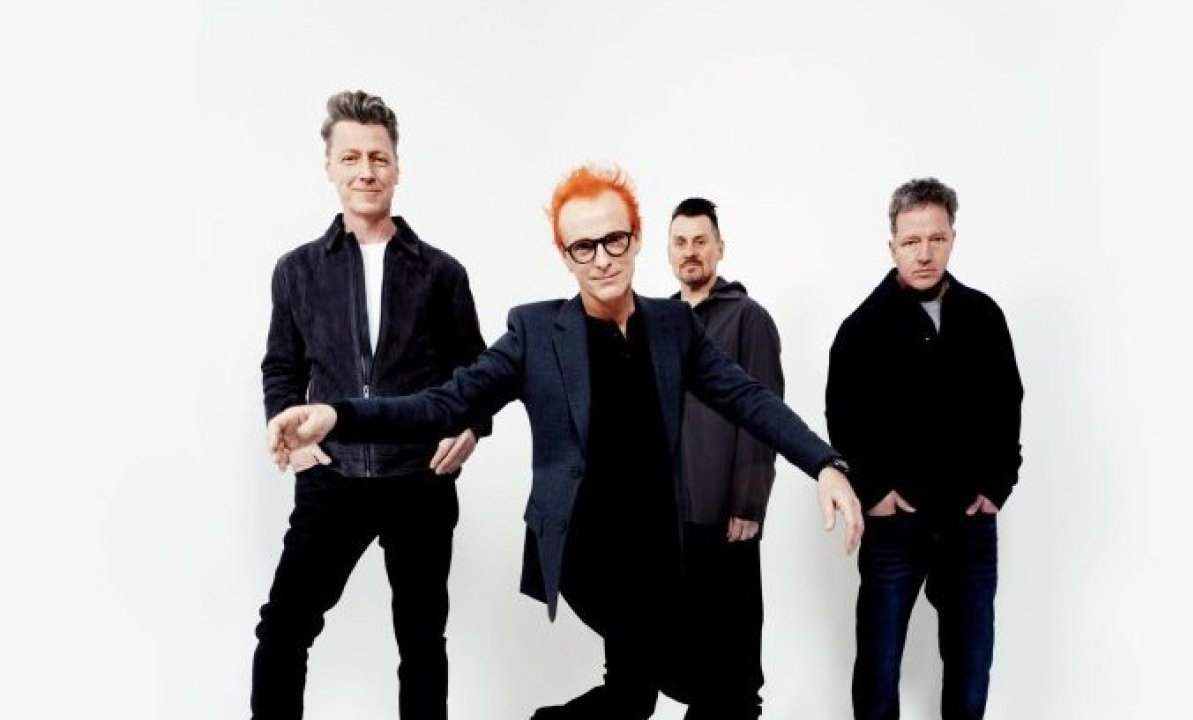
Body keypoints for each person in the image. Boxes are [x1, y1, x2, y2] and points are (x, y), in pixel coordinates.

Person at [267, 164, 863, 720]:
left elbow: (749, 398)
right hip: (589, 548)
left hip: (659, 547)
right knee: (715, 686)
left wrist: (826, 464)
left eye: (614, 240)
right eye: (584, 247)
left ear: (635, 238)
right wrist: (338, 415)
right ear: (565, 255)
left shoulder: (672, 326)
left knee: (632, 698)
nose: (602, 259)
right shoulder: (535, 332)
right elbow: (443, 404)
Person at [252, 90, 490, 720]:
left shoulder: (441, 273)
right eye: (351, 157)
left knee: (422, 641)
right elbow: (282, 367)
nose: (366, 171)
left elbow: (477, 373)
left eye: (378, 158)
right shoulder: (297, 270)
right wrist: (291, 431)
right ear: (329, 166)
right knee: (284, 628)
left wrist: (472, 427)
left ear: (397, 167)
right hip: (331, 477)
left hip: (419, 479)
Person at [825, 178, 1023, 720]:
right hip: (896, 527)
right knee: (878, 668)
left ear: (953, 238)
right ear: (892, 245)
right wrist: (875, 493)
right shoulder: (861, 328)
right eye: (912, 241)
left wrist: (996, 486)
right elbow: (843, 418)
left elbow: (1008, 403)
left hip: (968, 524)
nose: (925, 253)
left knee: (970, 667)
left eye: (936, 238)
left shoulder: (983, 316)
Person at [667, 197, 781, 719]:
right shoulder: (658, 322)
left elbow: (763, 415)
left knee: (734, 655)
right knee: (687, 651)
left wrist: (748, 504)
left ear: (720, 248)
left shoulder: (748, 319)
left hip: (726, 515)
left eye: (700, 241)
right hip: (673, 515)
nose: (690, 252)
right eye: (680, 242)